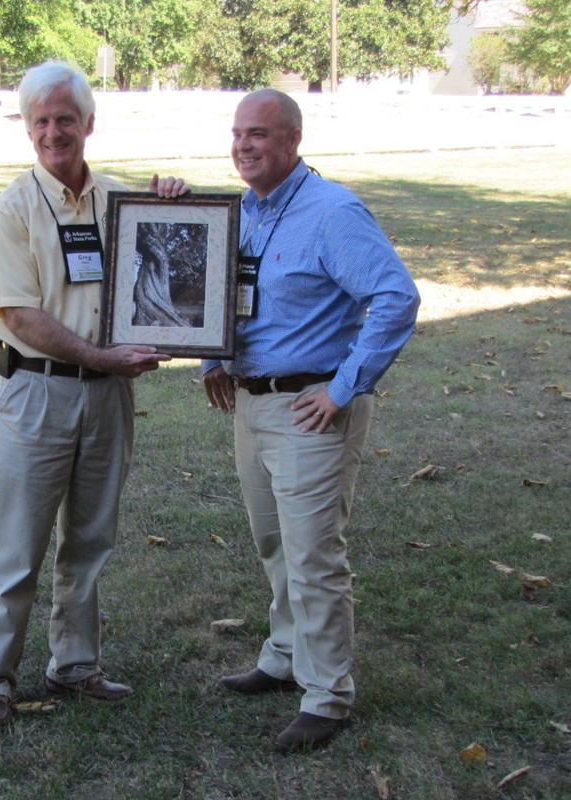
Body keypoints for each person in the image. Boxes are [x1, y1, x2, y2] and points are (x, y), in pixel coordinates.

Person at [0, 60, 189, 732]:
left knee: (90, 538)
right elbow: (21, 318)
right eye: (40, 120)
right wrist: (102, 356)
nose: (53, 131)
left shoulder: (120, 201)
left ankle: (74, 663)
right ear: (27, 129)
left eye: (65, 118)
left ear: (89, 123)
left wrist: (173, 200)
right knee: (16, 544)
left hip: (107, 398)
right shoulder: (11, 212)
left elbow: (177, 254)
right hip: (36, 394)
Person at [203, 89, 420, 753]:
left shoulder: (332, 211)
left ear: (293, 140)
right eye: (238, 134)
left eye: (259, 135)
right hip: (252, 403)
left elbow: (396, 298)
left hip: (311, 410)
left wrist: (344, 388)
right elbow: (228, 294)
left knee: (314, 556)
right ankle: (284, 654)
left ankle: (327, 695)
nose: (244, 146)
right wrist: (214, 355)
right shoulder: (244, 210)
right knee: (274, 543)